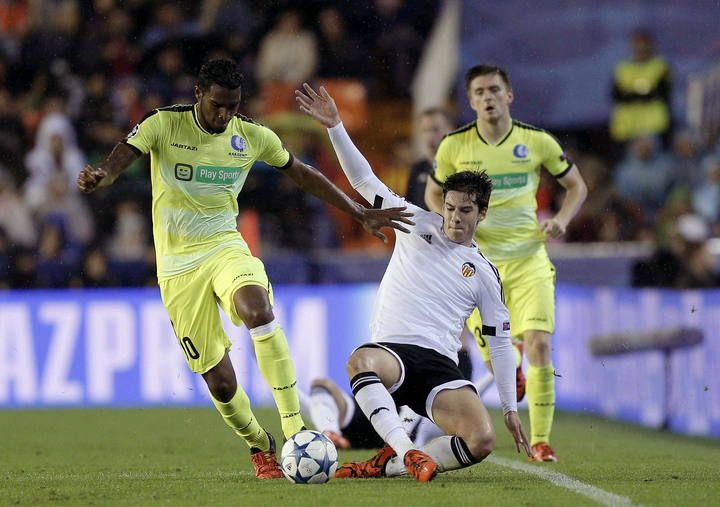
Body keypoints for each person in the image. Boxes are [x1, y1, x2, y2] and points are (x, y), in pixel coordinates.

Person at [76, 58, 412, 479]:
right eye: (217, 105)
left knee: (258, 309)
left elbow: (302, 174)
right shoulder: (164, 124)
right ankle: (260, 444)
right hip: (178, 267)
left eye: (232, 106)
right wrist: (103, 173)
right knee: (220, 383)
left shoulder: (250, 135)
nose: (224, 115)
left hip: (225, 247)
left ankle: (294, 428)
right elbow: (123, 156)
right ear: (198, 94)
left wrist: (357, 211)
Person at [296, 83, 530, 483]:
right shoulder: (415, 223)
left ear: (482, 213)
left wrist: (509, 406)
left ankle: (389, 463)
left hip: (440, 366)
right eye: (450, 207)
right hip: (394, 355)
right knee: (359, 361)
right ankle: (408, 452)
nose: (455, 217)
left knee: (482, 440)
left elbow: (500, 342)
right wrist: (336, 126)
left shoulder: (485, 273)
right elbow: (364, 180)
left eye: (465, 211)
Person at [424, 64, 588, 462]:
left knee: (541, 345)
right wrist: (454, 228)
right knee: (501, 362)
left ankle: (542, 440)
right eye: (479, 92)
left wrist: (562, 221)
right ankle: (508, 367)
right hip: (479, 267)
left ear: (509, 95)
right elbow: (433, 194)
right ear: (470, 101)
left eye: (495, 90)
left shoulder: (537, 141)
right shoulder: (454, 146)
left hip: (530, 259)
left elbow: (577, 186)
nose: (488, 97)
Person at [405, 108, 453, 209]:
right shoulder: (417, 169)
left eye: (435, 129)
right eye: (425, 130)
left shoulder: (462, 167)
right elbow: (410, 209)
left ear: (450, 130)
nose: (430, 136)